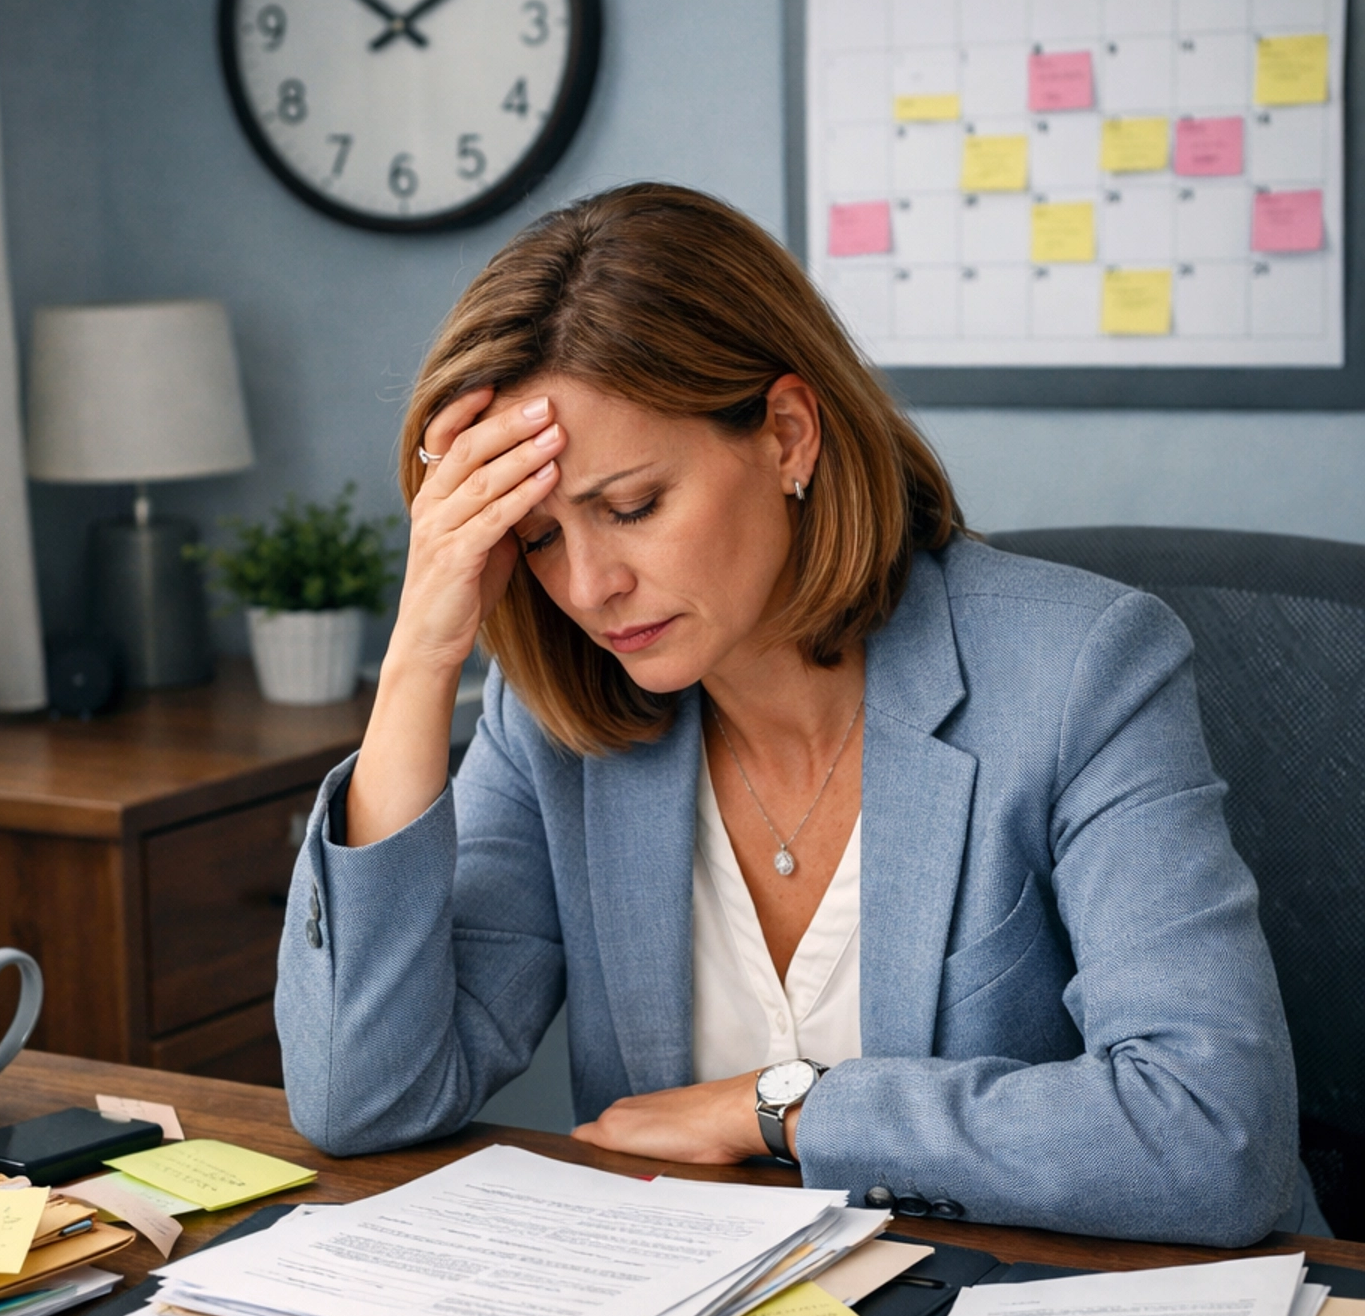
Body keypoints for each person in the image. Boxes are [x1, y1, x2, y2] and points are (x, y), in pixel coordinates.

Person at [276, 183, 1310, 1245]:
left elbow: (1211, 1138)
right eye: (535, 540)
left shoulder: (1079, 670)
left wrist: (780, 1108)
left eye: (630, 508)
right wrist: (417, 660)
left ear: (785, 435)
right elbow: (365, 1103)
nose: (587, 587)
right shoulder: (560, 725)